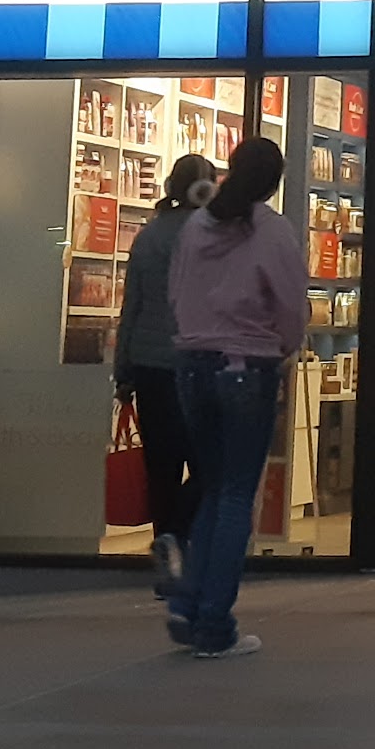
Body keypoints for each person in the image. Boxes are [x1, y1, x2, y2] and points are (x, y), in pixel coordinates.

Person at [166, 135, 306, 660]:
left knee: (212, 486)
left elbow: (176, 293)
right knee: (234, 496)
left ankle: (187, 605)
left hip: (192, 365)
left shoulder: (195, 226)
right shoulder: (271, 230)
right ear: (273, 182)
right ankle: (213, 626)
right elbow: (290, 303)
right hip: (247, 368)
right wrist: (284, 346)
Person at [113, 153, 218, 598]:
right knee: (210, 464)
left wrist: (124, 371)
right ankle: (183, 540)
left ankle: (168, 562)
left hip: (150, 366)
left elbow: (132, 307)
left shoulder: (149, 236)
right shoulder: (213, 235)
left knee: (162, 468)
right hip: (198, 364)